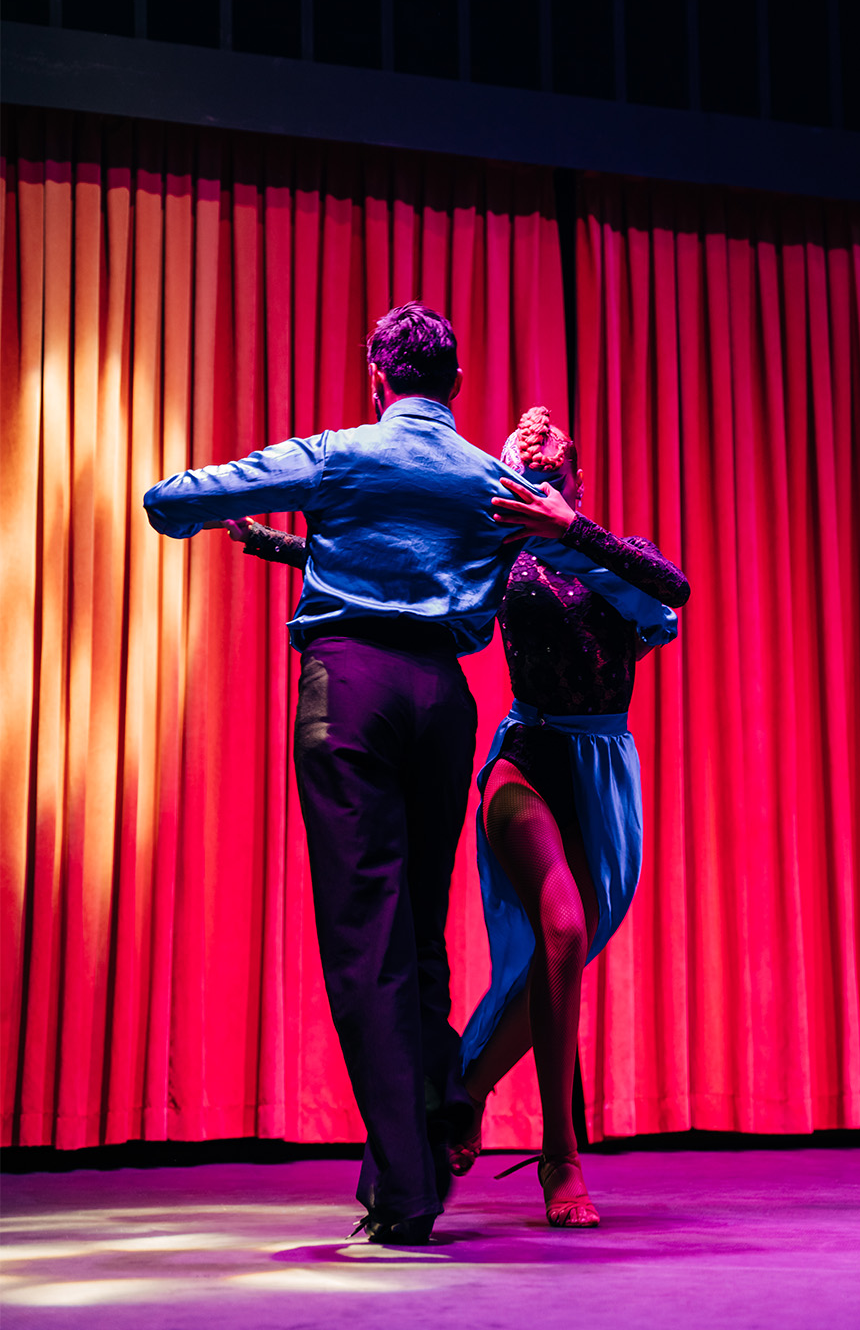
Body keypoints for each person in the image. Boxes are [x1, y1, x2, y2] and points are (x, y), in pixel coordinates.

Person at [142, 303, 558, 1245]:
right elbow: (516, 557)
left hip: (352, 694)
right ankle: (429, 1133)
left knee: (366, 941)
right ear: (455, 384)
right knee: (418, 933)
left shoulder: (340, 453)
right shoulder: (493, 481)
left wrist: (207, 508)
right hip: (444, 701)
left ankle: (407, 1192)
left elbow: (172, 500)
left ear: (378, 378)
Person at [233, 405, 690, 1229]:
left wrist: (570, 528)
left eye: (551, 474)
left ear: (576, 481)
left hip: (603, 769)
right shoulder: (495, 557)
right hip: (525, 759)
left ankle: (466, 1092)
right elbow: (384, 575)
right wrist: (276, 543)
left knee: (565, 950)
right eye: (523, 474)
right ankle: (559, 1154)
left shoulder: (613, 554)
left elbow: (673, 590)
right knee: (562, 930)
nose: (535, 487)